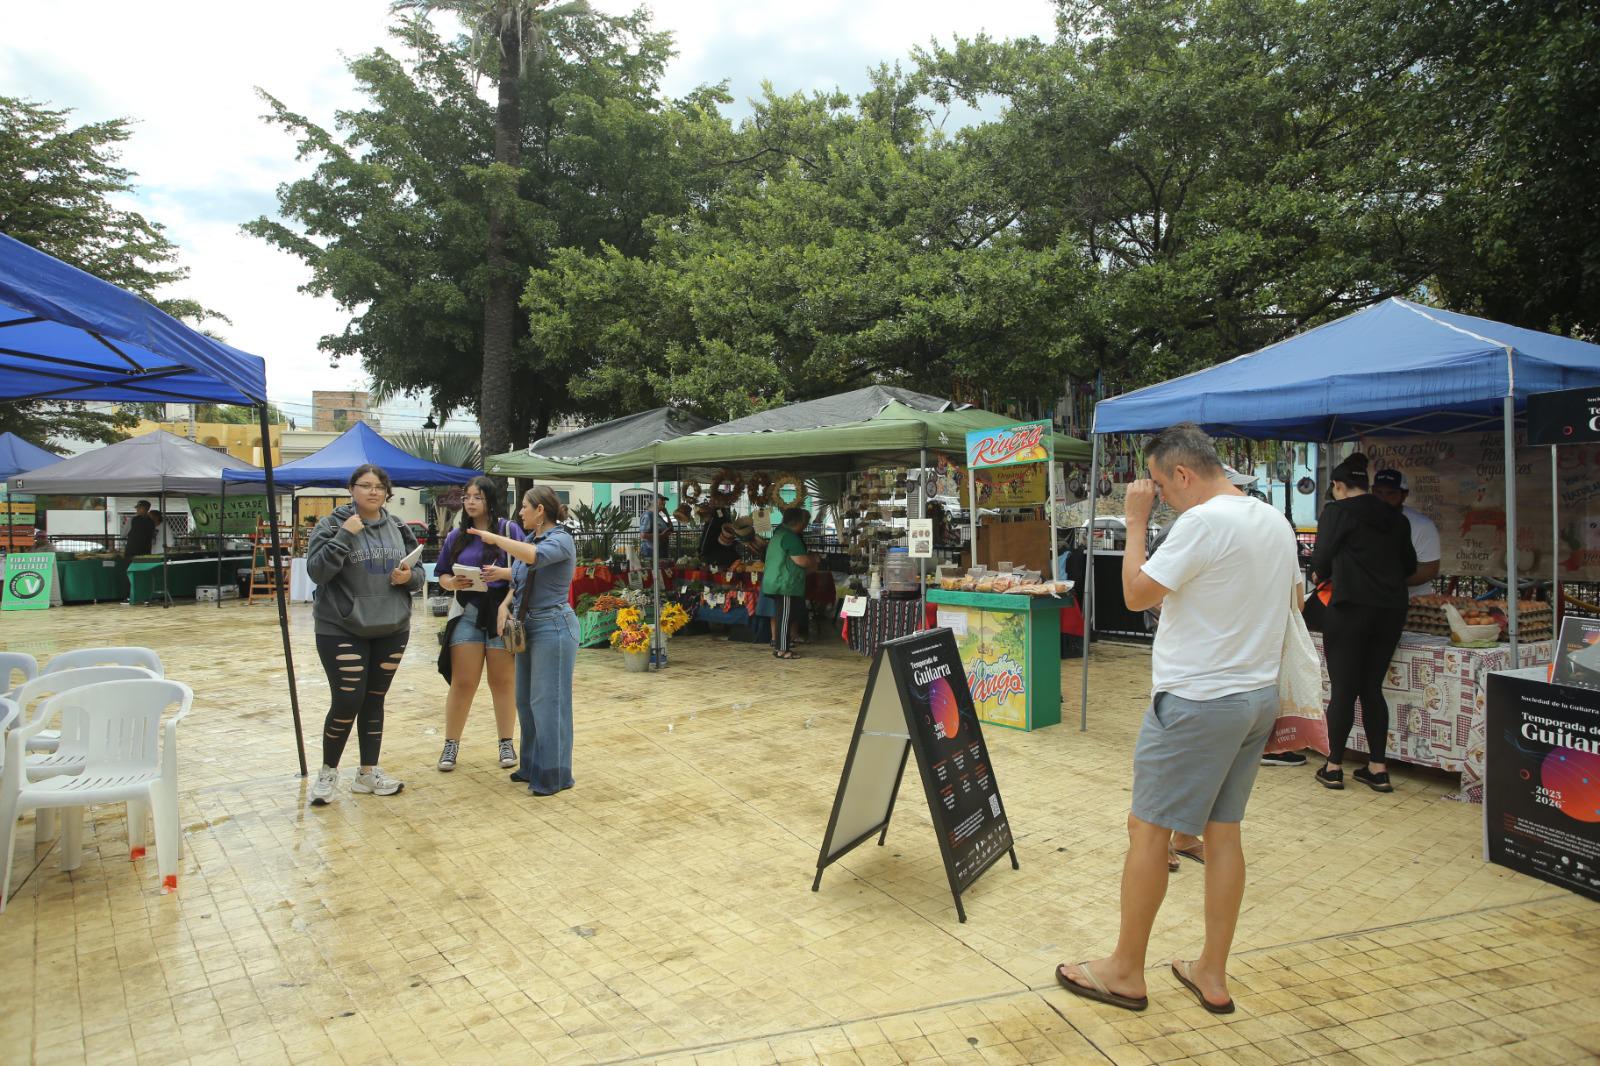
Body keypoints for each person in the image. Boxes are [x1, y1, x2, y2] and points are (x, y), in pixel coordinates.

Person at [1056, 423, 1298, 1015]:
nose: (1159, 495)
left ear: (1182, 474)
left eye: (1160, 485)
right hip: (1254, 697)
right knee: (1223, 832)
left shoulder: (1203, 521)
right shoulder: (1272, 519)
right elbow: (1289, 602)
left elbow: (1137, 593)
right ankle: (1210, 973)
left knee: (1149, 830)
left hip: (1198, 701)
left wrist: (1136, 523)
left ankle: (1124, 970)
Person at [304, 464, 423, 805]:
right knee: (347, 700)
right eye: (365, 485)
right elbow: (317, 572)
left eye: (379, 486)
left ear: (387, 491)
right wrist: (345, 535)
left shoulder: (398, 526)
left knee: (374, 699)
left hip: (391, 626)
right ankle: (328, 773)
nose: (373, 491)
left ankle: (367, 774)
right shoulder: (331, 524)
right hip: (341, 627)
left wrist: (408, 579)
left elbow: (416, 573)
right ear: (352, 489)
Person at [1309, 453, 1416, 794]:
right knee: (1372, 687)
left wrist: (1323, 572)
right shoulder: (1396, 517)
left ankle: (1334, 766)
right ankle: (1378, 768)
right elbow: (1410, 566)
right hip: (1391, 610)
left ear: (1338, 486)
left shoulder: (1336, 512)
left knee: (1343, 688)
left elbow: (1321, 559)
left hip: (1350, 607)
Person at [474, 486, 578, 797]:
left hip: (554, 626)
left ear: (540, 511)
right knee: (526, 701)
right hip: (529, 624)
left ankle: (555, 773)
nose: (520, 513)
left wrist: (494, 538)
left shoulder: (560, 540)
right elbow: (522, 572)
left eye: (524, 508)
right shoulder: (531, 539)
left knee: (549, 703)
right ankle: (532, 765)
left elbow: (532, 559)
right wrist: (503, 581)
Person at [433, 476, 518, 772]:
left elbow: (523, 571)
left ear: (490, 501)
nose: (470, 502)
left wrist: (503, 584)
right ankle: (450, 745)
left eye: (477, 497)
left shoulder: (508, 530)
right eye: (467, 497)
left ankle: (506, 742)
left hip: (499, 614)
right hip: (467, 611)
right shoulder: (458, 537)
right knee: (463, 682)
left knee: (502, 681)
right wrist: (451, 581)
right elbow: (441, 574)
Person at [1372, 468, 1442, 596]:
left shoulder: (1423, 526)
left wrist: (1388, 580)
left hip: (1412, 603)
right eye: (1378, 492)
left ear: (1404, 495)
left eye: (1390, 493)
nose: (1383, 498)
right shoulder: (1362, 520)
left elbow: (1429, 568)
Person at [763, 508, 814, 659]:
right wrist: (814, 560)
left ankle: (780, 646)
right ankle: (783, 650)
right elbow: (801, 561)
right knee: (784, 617)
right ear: (799, 522)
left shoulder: (778, 534)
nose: (805, 526)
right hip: (785, 583)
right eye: (805, 523)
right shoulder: (790, 537)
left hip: (776, 580)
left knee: (782, 616)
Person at [638, 493, 671, 559]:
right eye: (662, 500)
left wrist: (667, 514)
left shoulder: (658, 516)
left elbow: (671, 528)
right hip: (651, 552)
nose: (664, 502)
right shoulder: (648, 515)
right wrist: (661, 536)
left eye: (664, 500)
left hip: (660, 551)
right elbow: (643, 535)